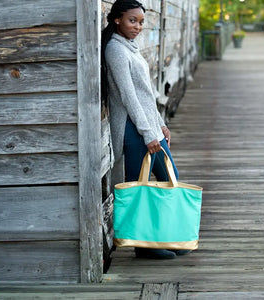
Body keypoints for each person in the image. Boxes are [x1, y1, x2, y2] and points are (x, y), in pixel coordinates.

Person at [102, 0, 188, 259]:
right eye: (132, 20)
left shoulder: (131, 47)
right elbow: (129, 98)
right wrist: (149, 133)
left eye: (141, 21)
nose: (138, 26)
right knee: (139, 188)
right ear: (117, 19)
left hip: (149, 125)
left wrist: (160, 123)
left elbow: (146, 94)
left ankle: (167, 237)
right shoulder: (115, 50)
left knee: (168, 179)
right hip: (133, 128)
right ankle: (142, 245)